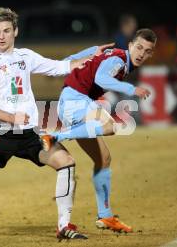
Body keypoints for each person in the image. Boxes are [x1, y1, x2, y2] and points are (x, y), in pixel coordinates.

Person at [0, 7, 111, 240]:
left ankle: (64, 226)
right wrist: (12, 118)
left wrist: (91, 58)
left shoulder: (25, 57)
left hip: (29, 134)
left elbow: (59, 67)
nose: (1, 36)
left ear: (15, 31)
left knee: (66, 162)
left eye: (6, 31)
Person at [42, 29, 157, 233]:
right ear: (130, 45)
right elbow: (102, 79)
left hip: (70, 101)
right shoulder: (119, 60)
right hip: (75, 100)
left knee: (103, 159)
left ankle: (105, 216)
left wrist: (92, 51)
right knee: (109, 126)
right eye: (139, 47)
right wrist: (132, 89)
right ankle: (55, 136)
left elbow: (69, 60)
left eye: (147, 51)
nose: (141, 53)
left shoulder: (109, 55)